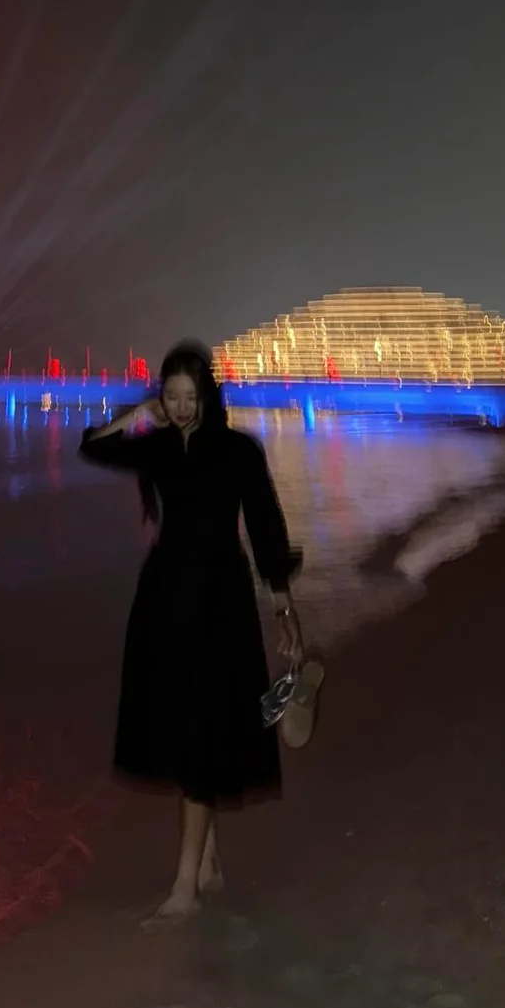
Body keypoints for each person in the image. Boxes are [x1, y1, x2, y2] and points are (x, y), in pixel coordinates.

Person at [78, 340, 303, 927]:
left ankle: (185, 889)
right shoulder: (156, 446)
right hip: (164, 601)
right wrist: (136, 416)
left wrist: (283, 606)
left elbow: (266, 526)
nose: (180, 407)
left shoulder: (237, 451)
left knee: (202, 729)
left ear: (207, 395)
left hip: (220, 603)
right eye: (171, 397)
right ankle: (207, 866)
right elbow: (93, 447)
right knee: (186, 727)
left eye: (189, 396)